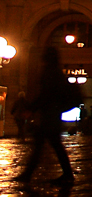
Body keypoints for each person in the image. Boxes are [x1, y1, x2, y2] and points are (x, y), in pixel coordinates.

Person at [13, 46, 75, 186]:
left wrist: (31, 108)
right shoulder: (56, 72)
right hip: (53, 113)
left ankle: (29, 174)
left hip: (50, 114)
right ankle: (66, 174)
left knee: (42, 145)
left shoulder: (49, 72)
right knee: (49, 145)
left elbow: (45, 95)